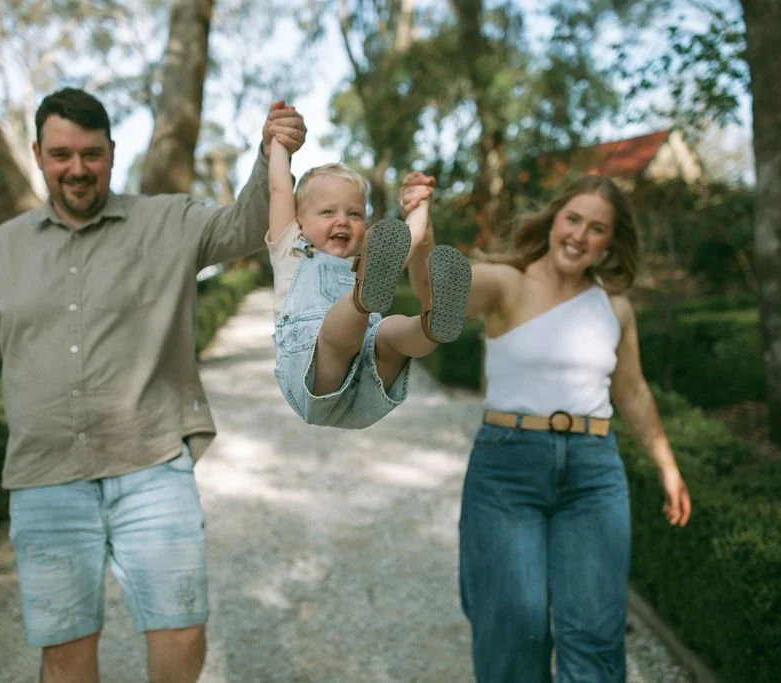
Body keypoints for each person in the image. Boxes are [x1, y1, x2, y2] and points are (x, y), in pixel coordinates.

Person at [0, 87, 307, 683]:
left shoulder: (169, 221)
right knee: (64, 652)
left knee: (182, 630)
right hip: (45, 480)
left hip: (152, 466)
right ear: (36, 153)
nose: (76, 169)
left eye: (91, 153)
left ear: (112, 151)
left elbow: (242, 227)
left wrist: (272, 157)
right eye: (61, 154)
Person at [401, 172, 692, 682]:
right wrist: (421, 231)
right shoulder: (504, 282)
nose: (579, 235)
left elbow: (633, 391)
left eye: (596, 228)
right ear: (554, 220)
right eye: (573, 219)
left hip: (594, 473)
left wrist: (667, 466)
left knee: (595, 633)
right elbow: (432, 290)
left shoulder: (614, 308)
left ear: (609, 244)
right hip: (507, 468)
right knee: (515, 625)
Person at [265, 138, 471, 428]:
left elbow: (410, 237)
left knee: (389, 332)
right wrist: (278, 144)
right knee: (336, 335)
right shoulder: (290, 248)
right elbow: (279, 188)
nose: (343, 221)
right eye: (327, 212)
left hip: (369, 384)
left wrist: (419, 205)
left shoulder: (372, 263)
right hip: (313, 374)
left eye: (354, 214)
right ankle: (361, 301)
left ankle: (433, 325)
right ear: (298, 220)